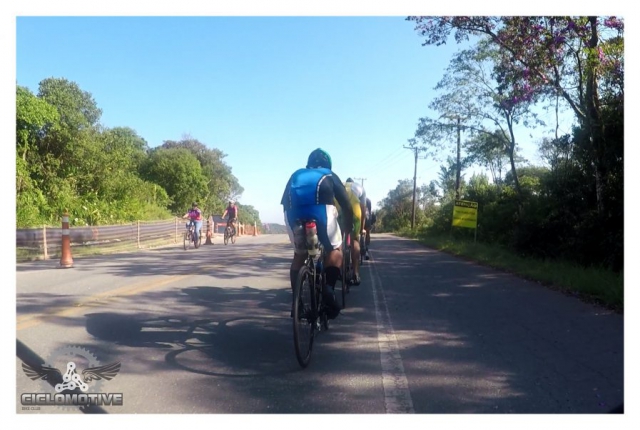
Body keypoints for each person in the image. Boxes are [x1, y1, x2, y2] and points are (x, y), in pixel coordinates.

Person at [281, 148, 354, 319]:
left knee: (299, 255)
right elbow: (346, 205)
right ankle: (328, 289)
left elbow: (284, 202)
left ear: (308, 164)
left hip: (293, 214)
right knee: (335, 250)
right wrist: (347, 227)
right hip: (321, 212)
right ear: (328, 164)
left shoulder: (296, 174)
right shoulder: (329, 174)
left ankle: (297, 303)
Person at [339, 178, 367, 285]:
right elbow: (363, 210)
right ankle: (355, 273)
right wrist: (361, 229)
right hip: (355, 212)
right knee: (355, 240)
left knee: (338, 240)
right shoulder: (360, 187)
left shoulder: (340, 184)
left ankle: (339, 269)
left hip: (339, 210)